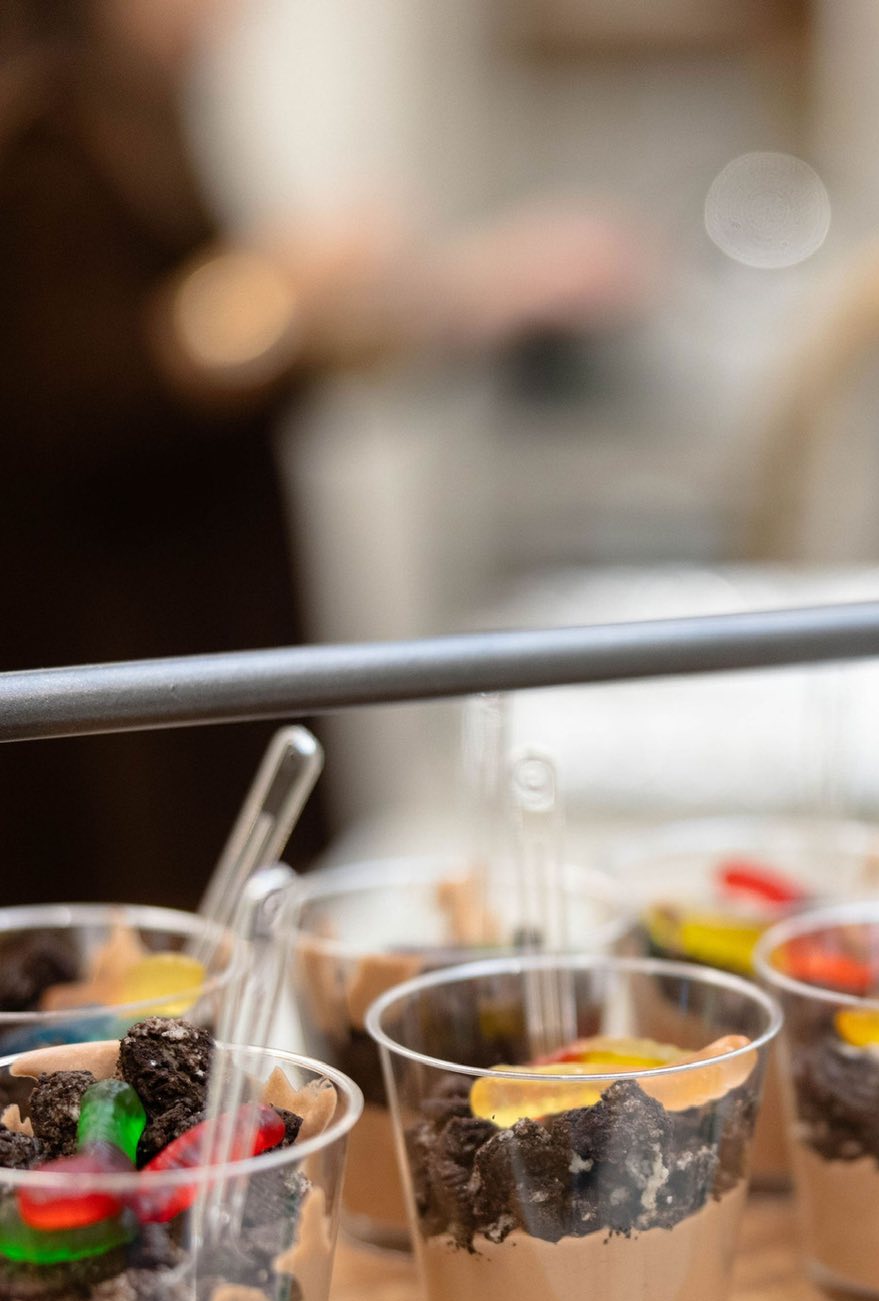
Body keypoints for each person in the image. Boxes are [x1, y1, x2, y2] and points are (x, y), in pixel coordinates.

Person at [0, 0, 649, 904]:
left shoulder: (145, 109)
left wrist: (466, 290)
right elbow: (100, 393)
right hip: (109, 635)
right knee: (135, 959)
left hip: (207, 598)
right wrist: (286, 279)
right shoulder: (37, 125)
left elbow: (257, 364)